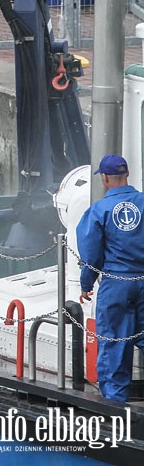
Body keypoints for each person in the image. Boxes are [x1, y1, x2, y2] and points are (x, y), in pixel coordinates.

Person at [76, 154, 144, 402]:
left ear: (104, 178)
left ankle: (115, 407)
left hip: (117, 283)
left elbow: (91, 253)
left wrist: (86, 283)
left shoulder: (99, 210)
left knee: (114, 341)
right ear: (127, 175)